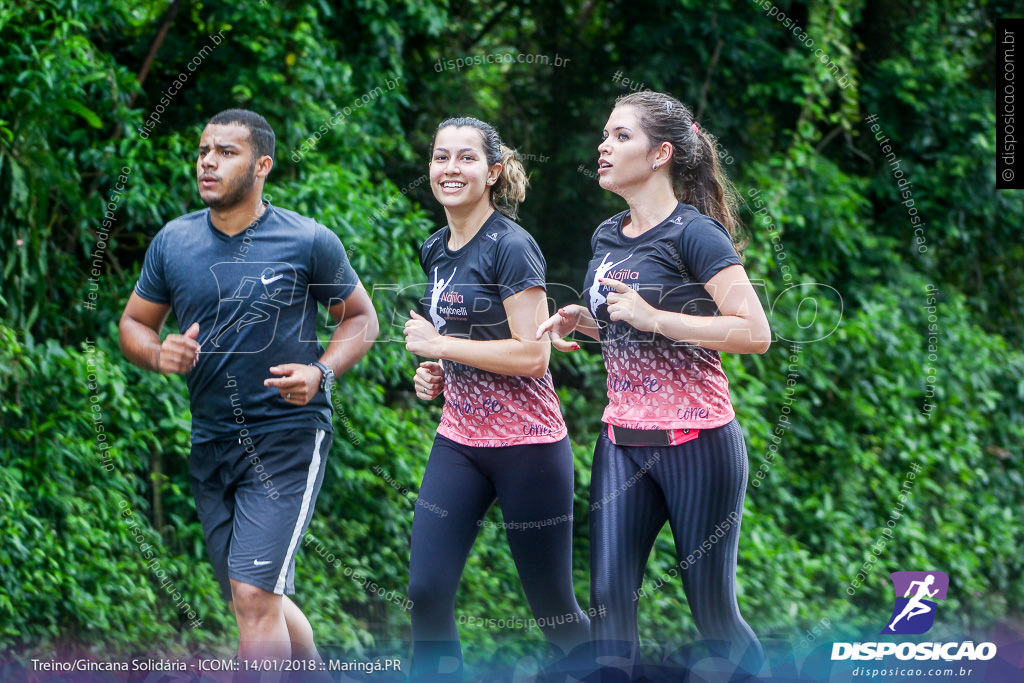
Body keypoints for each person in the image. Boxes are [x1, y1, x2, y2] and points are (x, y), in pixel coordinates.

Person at [119, 109, 378, 679]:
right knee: (256, 599)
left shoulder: (307, 239)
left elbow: (362, 319)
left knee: (255, 598)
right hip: (211, 440)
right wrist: (157, 351)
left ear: (262, 165)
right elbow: (134, 324)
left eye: (226, 152)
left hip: (286, 435)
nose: (208, 162)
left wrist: (321, 372)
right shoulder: (174, 241)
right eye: (203, 150)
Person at [538, 91, 770, 679]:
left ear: (661, 153)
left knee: (712, 612)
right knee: (610, 609)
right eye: (605, 135)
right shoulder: (607, 235)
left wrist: (656, 317)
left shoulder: (696, 234)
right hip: (621, 443)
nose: (603, 146)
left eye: (620, 136)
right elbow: (630, 325)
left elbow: (755, 332)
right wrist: (587, 323)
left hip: (698, 444)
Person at [403, 116, 590, 680]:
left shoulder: (511, 246)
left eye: (466, 158)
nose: (450, 169)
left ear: (493, 172)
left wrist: (440, 344)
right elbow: (464, 341)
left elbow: (533, 356)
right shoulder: (435, 248)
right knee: (426, 591)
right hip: (459, 441)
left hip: (527, 447)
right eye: (441, 157)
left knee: (553, 609)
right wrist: (435, 370)